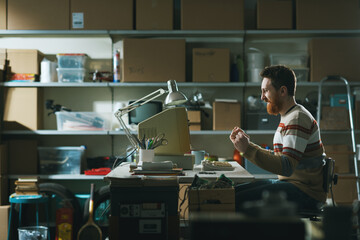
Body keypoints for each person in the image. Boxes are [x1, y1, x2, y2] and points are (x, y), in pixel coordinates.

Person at [230, 65, 326, 212]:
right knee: (231, 193)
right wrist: (248, 146)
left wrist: (248, 150)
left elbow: (286, 166)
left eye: (266, 91)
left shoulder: (297, 118)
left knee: (234, 201)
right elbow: (281, 159)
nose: (262, 97)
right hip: (293, 185)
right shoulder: (289, 116)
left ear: (282, 91)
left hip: (305, 193)